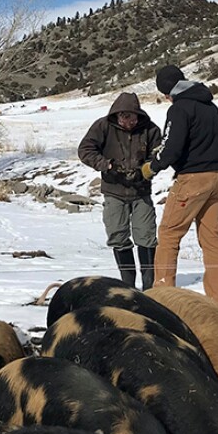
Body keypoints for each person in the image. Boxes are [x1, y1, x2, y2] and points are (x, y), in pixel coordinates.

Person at [140, 64, 218, 307]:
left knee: (169, 235)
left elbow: (171, 147)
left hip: (192, 179)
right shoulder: (209, 105)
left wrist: (152, 167)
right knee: (212, 240)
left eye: (164, 94)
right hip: (217, 178)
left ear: (168, 90)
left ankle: (163, 298)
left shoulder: (180, 108)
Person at [78, 92, 162, 289]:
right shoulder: (102, 126)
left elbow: (158, 154)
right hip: (113, 190)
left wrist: (146, 170)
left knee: (147, 236)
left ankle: (149, 286)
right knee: (117, 235)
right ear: (116, 115)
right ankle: (128, 285)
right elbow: (85, 150)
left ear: (138, 115)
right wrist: (107, 165)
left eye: (132, 117)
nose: (128, 122)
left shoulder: (150, 129)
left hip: (141, 191)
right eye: (124, 117)